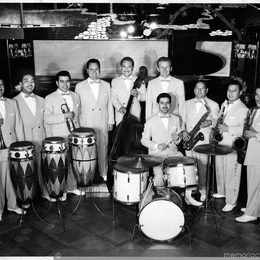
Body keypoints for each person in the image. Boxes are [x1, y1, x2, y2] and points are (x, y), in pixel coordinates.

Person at [141, 93, 202, 206]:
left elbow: (178, 140)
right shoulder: (150, 121)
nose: (165, 105)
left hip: (174, 153)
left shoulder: (176, 119)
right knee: (159, 178)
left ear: (170, 104)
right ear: (158, 104)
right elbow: (144, 140)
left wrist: (177, 138)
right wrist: (156, 146)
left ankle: (188, 197)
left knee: (189, 167)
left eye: (167, 103)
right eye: (162, 103)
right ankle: (161, 201)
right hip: (157, 155)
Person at [44, 70, 83, 201]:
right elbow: (47, 119)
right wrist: (64, 116)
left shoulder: (76, 96)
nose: (65, 84)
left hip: (74, 136)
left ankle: (72, 187)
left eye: (67, 81)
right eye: (62, 81)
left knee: (73, 162)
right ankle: (63, 189)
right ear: (57, 82)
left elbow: (79, 116)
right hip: (59, 137)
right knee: (62, 165)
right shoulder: (49, 98)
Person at [75, 59, 114, 182]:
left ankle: (104, 172)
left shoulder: (106, 85)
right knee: (87, 150)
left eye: (96, 69)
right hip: (86, 122)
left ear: (100, 70)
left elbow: (109, 105)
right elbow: (77, 107)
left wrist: (111, 121)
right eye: (91, 69)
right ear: (87, 71)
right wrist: (79, 125)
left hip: (102, 121)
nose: (94, 72)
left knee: (103, 148)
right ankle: (86, 174)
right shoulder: (79, 86)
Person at [13, 73, 50, 202]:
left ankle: (45, 192)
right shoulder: (14, 101)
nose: (30, 83)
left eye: (32, 81)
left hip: (40, 140)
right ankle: (25, 198)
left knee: (43, 169)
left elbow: (45, 121)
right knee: (26, 172)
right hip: (25, 141)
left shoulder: (42, 100)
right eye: (26, 81)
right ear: (21, 84)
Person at [182, 81, 219, 202]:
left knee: (203, 167)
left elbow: (218, 122)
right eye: (197, 88)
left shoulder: (213, 105)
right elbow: (182, 120)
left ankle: (203, 190)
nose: (199, 91)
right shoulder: (186, 103)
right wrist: (183, 131)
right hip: (189, 139)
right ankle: (191, 190)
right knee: (190, 166)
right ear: (193, 90)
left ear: (206, 90)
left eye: (202, 88)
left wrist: (210, 122)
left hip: (204, 140)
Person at [215, 79, 248, 212]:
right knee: (220, 169)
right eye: (229, 90)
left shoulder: (243, 109)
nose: (231, 93)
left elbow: (244, 130)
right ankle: (222, 191)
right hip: (221, 143)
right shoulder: (224, 104)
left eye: (234, 91)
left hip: (232, 146)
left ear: (240, 92)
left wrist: (228, 128)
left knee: (231, 173)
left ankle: (231, 200)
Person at [0, 78, 26, 221]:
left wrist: (20, 147)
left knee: (11, 177)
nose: (0, 88)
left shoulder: (12, 103)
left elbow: (18, 126)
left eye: (2, 85)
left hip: (10, 147)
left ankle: (13, 204)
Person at [235, 87, 260, 222]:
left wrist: (257, 135)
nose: (258, 98)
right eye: (256, 95)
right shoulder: (255, 110)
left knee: (256, 184)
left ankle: (252, 213)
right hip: (251, 151)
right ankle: (253, 206)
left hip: (258, 155)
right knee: (252, 182)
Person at [145, 56, 185, 121]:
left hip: (174, 119)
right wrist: (148, 122)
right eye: (162, 67)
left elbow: (182, 105)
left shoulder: (179, 83)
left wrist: (182, 122)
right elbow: (148, 105)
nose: (164, 70)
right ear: (158, 69)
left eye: (167, 67)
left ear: (171, 68)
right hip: (156, 119)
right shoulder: (151, 83)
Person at [111, 56, 146, 126]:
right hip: (121, 113)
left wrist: (137, 95)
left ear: (133, 68)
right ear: (120, 67)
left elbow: (145, 97)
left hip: (135, 113)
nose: (126, 69)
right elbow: (113, 98)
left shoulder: (140, 80)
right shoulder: (115, 81)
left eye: (129, 66)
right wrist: (119, 107)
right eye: (124, 66)